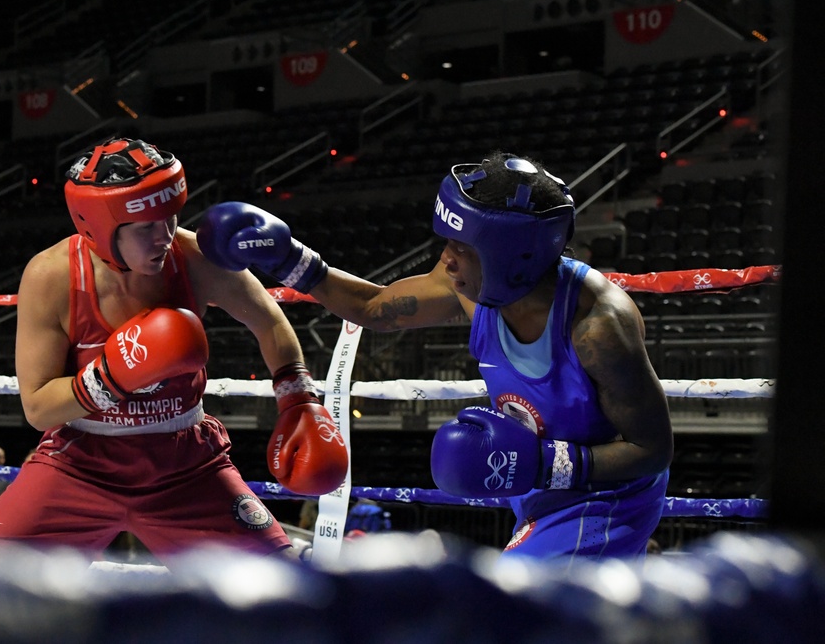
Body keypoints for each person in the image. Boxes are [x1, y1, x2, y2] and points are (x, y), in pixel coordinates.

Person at [196, 151, 673, 560]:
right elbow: (372, 309)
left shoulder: (599, 328)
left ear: (509, 255)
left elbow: (653, 450)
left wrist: (548, 464)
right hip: (538, 490)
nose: (445, 259)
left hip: (604, 501)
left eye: (459, 248)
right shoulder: (468, 285)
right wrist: (288, 260)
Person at [0, 137, 347, 563]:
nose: (164, 235)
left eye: (170, 217)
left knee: (282, 587)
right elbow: (37, 408)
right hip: (80, 467)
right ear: (99, 228)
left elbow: (269, 320)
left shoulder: (193, 255)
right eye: (146, 227)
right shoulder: (51, 277)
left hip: (188, 466)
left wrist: (298, 397)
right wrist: (111, 377)